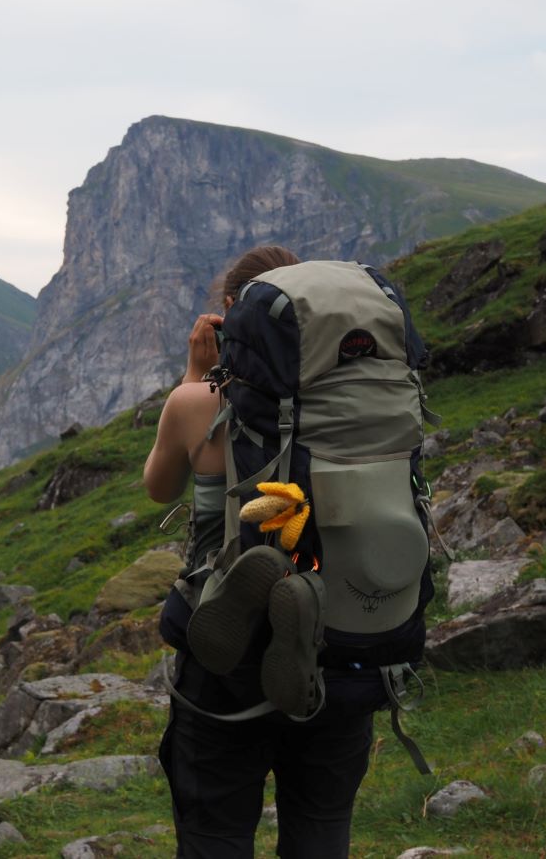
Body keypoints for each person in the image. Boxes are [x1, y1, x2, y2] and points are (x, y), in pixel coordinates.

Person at [144, 245, 376, 859]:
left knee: (215, 832)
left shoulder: (198, 405)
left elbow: (158, 488)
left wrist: (196, 376)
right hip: (343, 638)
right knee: (322, 827)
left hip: (226, 658)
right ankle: (297, 588)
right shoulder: (361, 407)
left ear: (229, 313)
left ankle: (256, 577)